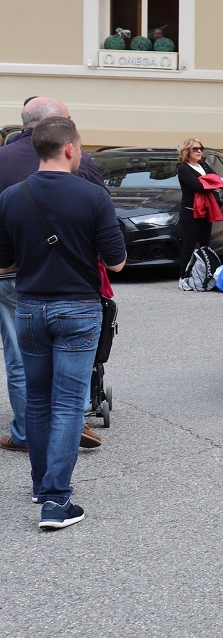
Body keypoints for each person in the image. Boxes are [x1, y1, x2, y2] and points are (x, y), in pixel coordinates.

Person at [0, 117, 126, 529]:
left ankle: (41, 485)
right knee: (70, 402)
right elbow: (117, 261)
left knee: (36, 400)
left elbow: (6, 262)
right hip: (77, 308)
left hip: (30, 308)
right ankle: (56, 501)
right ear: (70, 148)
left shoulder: (11, 197)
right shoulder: (93, 196)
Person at [0, 98, 107, 454]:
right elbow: (105, 228)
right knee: (70, 371)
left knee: (20, 362)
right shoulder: (81, 161)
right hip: (73, 283)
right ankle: (69, 429)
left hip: (15, 278)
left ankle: (27, 434)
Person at [176, 138, 221, 275]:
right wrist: (209, 183)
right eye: (195, 149)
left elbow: (218, 180)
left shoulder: (204, 165)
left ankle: (203, 273)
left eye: (201, 148)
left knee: (205, 245)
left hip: (207, 211)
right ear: (187, 151)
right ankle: (184, 275)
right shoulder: (183, 168)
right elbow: (197, 186)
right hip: (191, 211)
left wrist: (207, 182)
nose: (199, 151)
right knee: (190, 244)